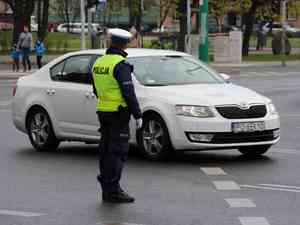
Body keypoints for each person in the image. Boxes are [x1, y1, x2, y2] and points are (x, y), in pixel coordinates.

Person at [92, 28, 143, 203]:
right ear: (125, 44)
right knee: (118, 152)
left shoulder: (99, 62)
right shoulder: (120, 64)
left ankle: (107, 188)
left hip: (103, 111)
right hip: (118, 114)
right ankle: (113, 190)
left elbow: (95, 89)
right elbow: (128, 93)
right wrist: (138, 114)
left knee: (105, 151)